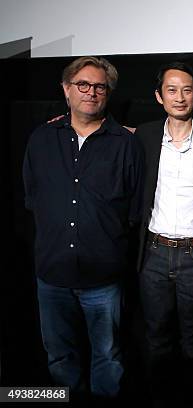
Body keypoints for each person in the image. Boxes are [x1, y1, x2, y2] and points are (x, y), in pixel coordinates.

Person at [22, 56, 144, 398]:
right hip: (52, 275)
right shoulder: (41, 139)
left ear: (108, 93)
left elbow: (134, 207)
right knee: (60, 358)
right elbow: (33, 198)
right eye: (82, 85)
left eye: (99, 86)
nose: (90, 92)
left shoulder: (126, 144)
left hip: (103, 279)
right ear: (66, 89)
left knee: (108, 359)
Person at [134, 62, 193, 405]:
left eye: (187, 90)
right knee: (156, 339)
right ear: (159, 97)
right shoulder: (144, 134)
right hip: (154, 253)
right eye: (171, 90)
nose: (180, 97)